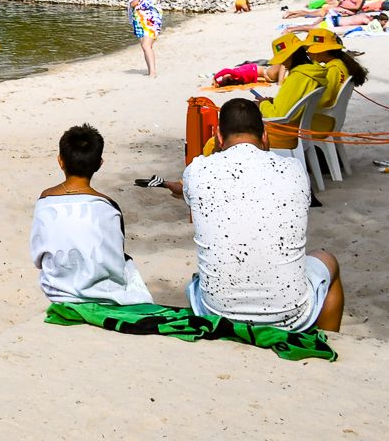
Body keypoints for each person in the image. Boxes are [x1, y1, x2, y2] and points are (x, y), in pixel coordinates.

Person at [160, 100, 345, 332]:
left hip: (218, 311)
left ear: (218, 137)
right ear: (265, 136)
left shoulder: (197, 170)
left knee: (199, 277)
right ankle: (326, 338)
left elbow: (195, 194)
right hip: (290, 313)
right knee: (327, 259)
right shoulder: (294, 169)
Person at [30, 124, 152, 306]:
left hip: (58, 292)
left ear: (60, 161)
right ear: (99, 164)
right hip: (106, 292)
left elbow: (38, 257)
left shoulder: (45, 201)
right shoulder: (109, 207)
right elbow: (116, 254)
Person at [256, 29, 363, 148]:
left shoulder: (326, 71)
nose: (309, 52)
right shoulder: (323, 69)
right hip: (325, 119)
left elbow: (279, 114)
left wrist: (263, 103)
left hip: (312, 124)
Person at [128, 0, 161, 77]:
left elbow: (149, 3)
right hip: (139, 22)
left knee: (146, 45)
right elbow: (132, 4)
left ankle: (153, 72)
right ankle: (150, 70)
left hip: (151, 21)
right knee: (145, 46)